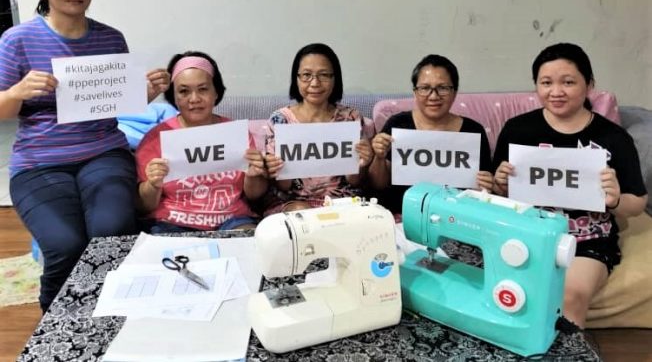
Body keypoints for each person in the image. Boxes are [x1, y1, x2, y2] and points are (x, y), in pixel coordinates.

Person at [0, 0, 170, 312]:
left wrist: (145, 92)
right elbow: (2, 110)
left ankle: (114, 313)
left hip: (103, 153)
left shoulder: (110, 38)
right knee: (64, 244)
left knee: (111, 233)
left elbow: (118, 102)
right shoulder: (17, 40)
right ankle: (57, 323)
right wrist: (16, 92)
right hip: (39, 162)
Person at [492, 42, 648, 328]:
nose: (556, 92)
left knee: (569, 299)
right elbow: (497, 191)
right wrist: (499, 184)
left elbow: (637, 202)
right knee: (505, 295)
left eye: (568, 82)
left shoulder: (613, 138)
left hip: (586, 239)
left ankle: (569, 348)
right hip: (525, 233)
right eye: (546, 83)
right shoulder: (517, 130)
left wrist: (615, 200)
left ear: (589, 84)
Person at [136, 51, 268, 233]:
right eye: (184, 91)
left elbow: (254, 195)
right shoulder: (156, 138)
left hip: (232, 219)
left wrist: (254, 175)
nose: (194, 99)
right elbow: (143, 207)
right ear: (173, 96)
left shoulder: (236, 133)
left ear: (216, 92)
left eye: (203, 89)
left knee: (251, 241)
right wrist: (153, 185)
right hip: (171, 222)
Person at [368, 54, 493, 215]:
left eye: (443, 88)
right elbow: (378, 185)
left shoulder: (473, 131)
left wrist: (486, 185)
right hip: (402, 214)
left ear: (454, 92)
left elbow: (483, 188)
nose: (433, 96)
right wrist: (379, 157)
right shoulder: (398, 124)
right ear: (415, 92)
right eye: (425, 88)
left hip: (456, 217)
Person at [263, 43, 373, 213]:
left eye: (324, 75)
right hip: (294, 203)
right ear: (296, 79)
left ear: (335, 79)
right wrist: (277, 169)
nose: (315, 83)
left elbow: (354, 181)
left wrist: (363, 164)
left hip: (342, 204)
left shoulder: (351, 118)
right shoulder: (279, 120)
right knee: (302, 212)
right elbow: (283, 186)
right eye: (306, 75)